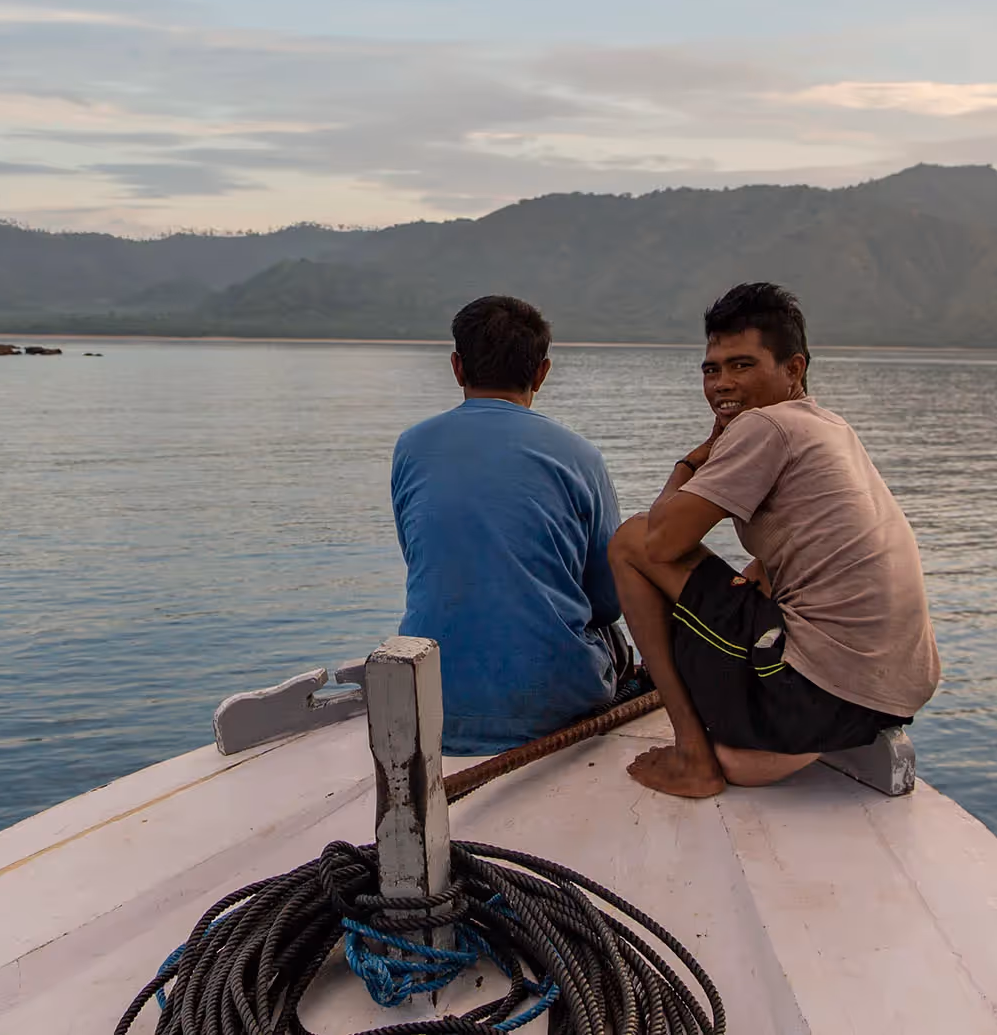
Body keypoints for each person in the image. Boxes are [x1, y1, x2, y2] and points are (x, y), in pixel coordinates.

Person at [612, 282, 940, 797]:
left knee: (630, 539)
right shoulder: (829, 427)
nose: (722, 383)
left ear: (794, 369)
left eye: (742, 365)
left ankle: (692, 755)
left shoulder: (766, 426)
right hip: (892, 691)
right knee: (755, 577)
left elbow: (659, 543)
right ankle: (770, 739)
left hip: (816, 693)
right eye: (711, 369)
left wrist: (692, 460)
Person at [392, 295, 627, 755]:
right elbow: (607, 600)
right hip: (556, 708)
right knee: (611, 637)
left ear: (457, 367)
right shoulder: (580, 456)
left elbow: (423, 558)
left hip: (429, 700)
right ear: (542, 373)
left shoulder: (411, 447)